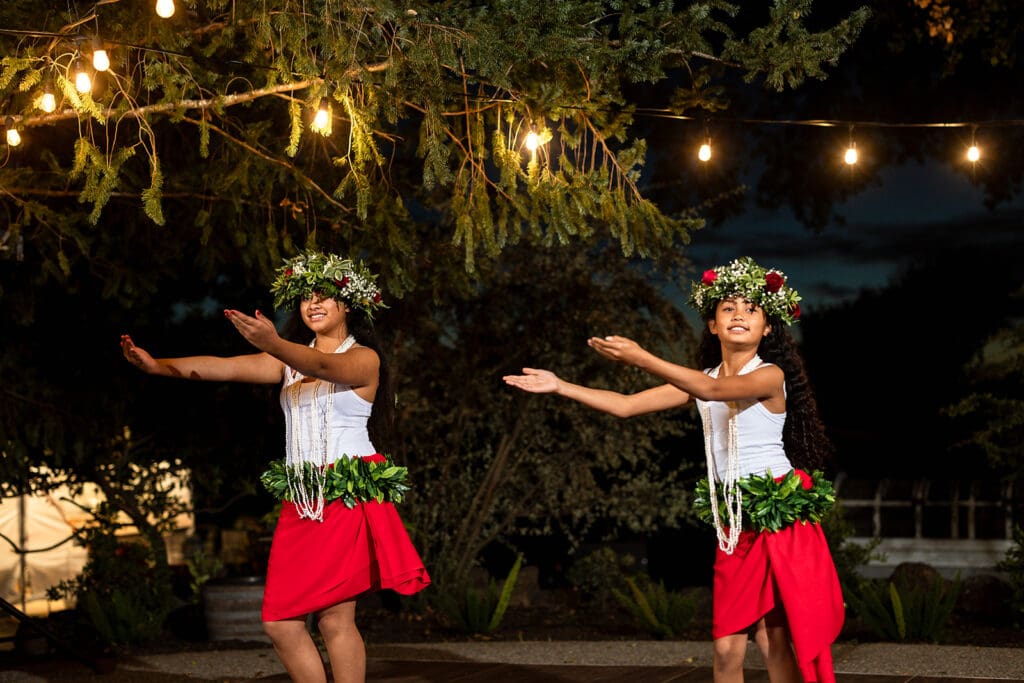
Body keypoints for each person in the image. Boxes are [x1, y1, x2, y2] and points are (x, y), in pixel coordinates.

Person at [503, 256, 844, 683]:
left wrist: (642, 358)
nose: (739, 314)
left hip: (777, 516)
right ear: (713, 325)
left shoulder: (770, 376)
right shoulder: (701, 379)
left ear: (767, 328)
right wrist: (560, 385)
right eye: (728, 308)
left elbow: (714, 390)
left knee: (773, 637)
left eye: (751, 309)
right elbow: (626, 406)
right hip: (734, 522)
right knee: (726, 647)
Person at [121, 251, 430, 683]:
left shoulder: (364, 359)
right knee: (280, 622)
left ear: (347, 305)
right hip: (302, 501)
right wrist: (160, 367)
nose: (312, 304)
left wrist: (273, 343)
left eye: (324, 295)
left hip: (345, 495)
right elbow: (224, 369)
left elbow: (322, 365)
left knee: (334, 618)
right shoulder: (288, 362)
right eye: (305, 297)